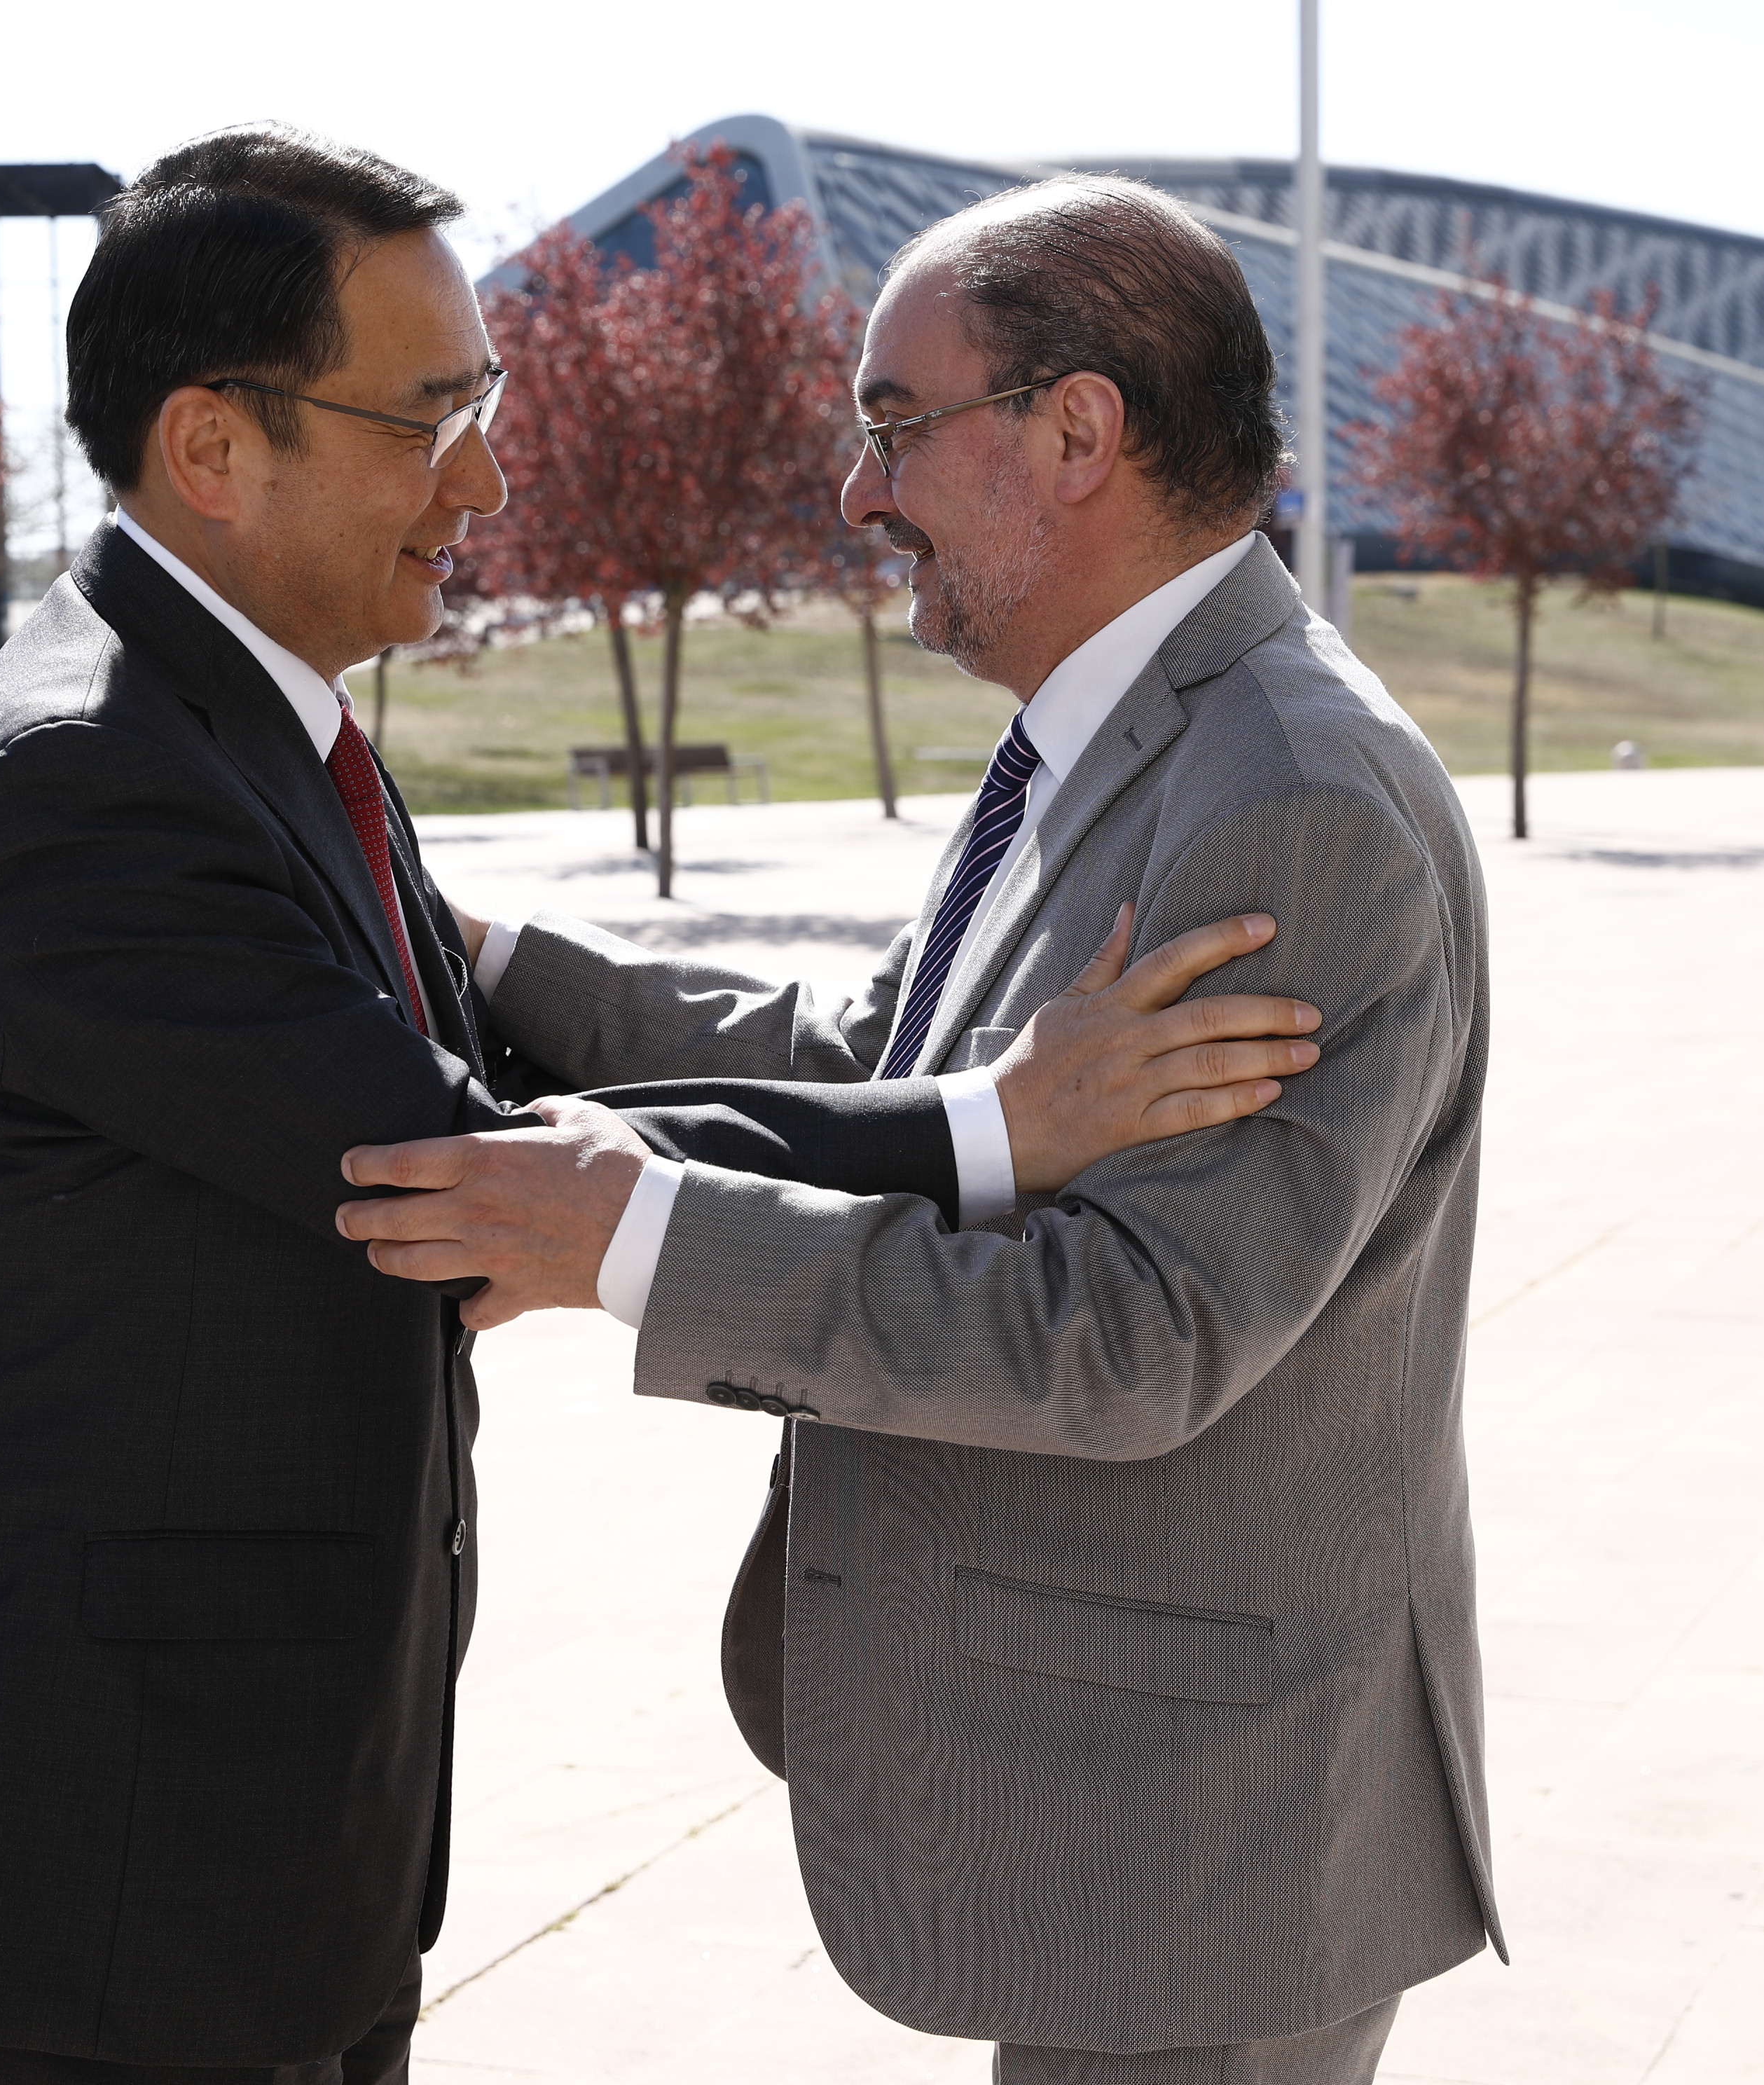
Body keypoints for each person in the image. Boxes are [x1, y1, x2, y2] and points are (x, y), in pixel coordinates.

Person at [0, 130, 1320, 2085]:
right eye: (433, 414)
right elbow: (456, 1166)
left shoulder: (258, 722)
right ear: (213, 449)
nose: (491, 476)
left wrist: (531, 978)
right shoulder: (81, 782)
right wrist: (994, 1126)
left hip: (269, 1832)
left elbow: (480, 1054)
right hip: (101, 1861)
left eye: (486, 403)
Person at [340, 176, 1501, 2084]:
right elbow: (883, 1058)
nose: (859, 493)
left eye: (892, 426)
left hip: (1193, 1857)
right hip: (1126, 1817)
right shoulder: (1124, 732)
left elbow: (1133, 1333)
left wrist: (628, 1238)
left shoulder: (1292, 801)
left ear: (1078, 432)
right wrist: (484, 955)